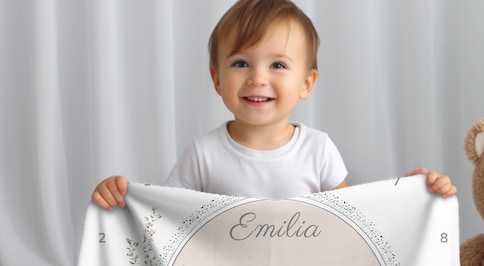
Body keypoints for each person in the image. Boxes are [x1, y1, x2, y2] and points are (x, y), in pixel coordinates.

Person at [91, 0, 456, 210]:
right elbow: (160, 216)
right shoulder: (203, 154)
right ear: (217, 79)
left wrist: (405, 197)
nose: (257, 78)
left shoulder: (318, 150)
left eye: (278, 65)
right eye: (240, 63)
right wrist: (121, 198)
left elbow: (351, 221)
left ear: (306, 83)